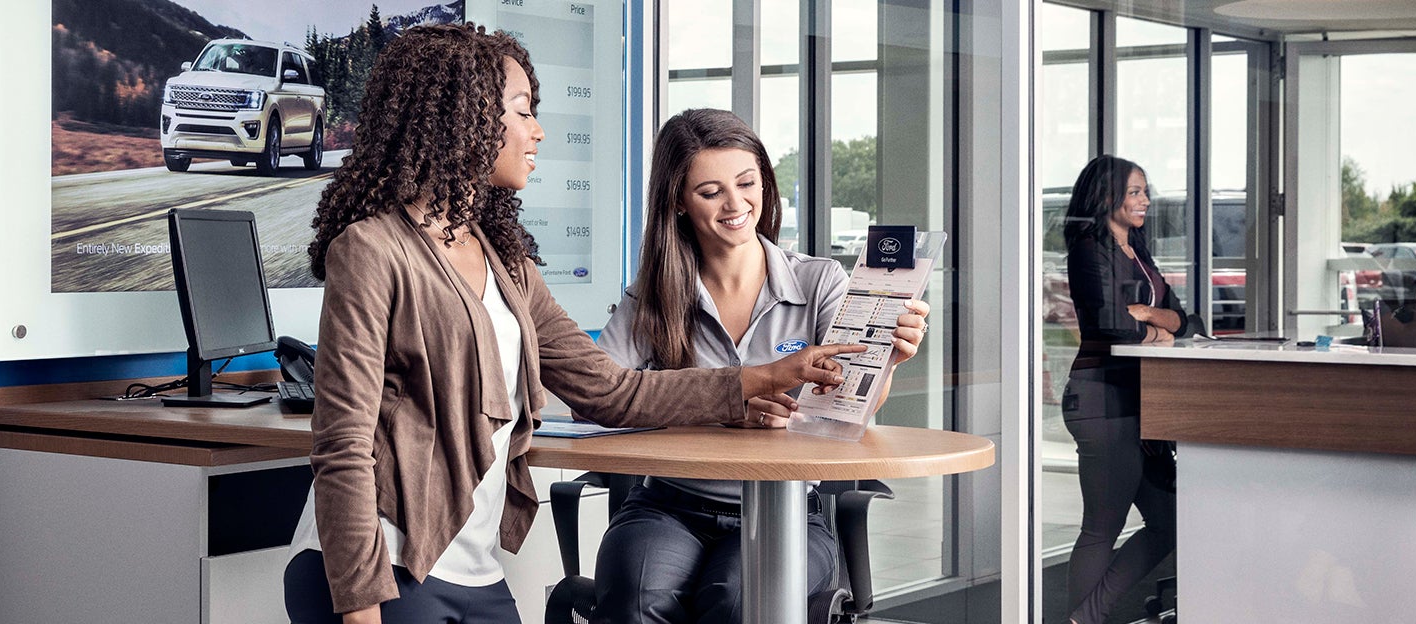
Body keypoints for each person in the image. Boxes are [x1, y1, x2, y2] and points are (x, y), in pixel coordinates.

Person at [282, 25, 871, 624]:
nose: (537, 130)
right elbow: (343, 444)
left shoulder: (507, 263)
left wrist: (755, 379)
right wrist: (359, 606)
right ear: (463, 120)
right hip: (381, 566)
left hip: (471, 567)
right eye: (522, 112)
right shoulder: (373, 250)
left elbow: (612, 392)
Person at [587, 108, 930, 624]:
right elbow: (604, 393)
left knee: (738, 603)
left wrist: (887, 363)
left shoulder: (819, 282)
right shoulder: (653, 295)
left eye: (747, 183)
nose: (735, 204)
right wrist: (718, 407)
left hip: (787, 510)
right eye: (710, 192)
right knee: (638, 601)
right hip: (669, 505)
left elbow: (845, 408)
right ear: (678, 202)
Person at [1060, 154, 1183, 624]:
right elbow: (1113, 328)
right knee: (1101, 528)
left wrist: (1149, 317)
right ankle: (1085, 618)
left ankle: (1086, 615)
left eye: (1145, 191)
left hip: (1143, 401)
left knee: (1169, 521)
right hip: (1102, 397)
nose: (1145, 201)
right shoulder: (1090, 250)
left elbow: (1183, 317)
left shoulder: (1139, 251)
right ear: (1107, 196)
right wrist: (1156, 330)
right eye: (1135, 192)